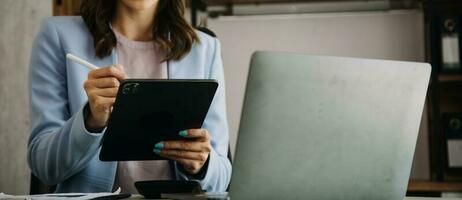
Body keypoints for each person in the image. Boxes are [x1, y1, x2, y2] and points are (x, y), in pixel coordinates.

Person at [27, 0, 231, 193]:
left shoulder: (205, 49)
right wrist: (91, 120)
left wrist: (202, 165)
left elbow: (221, 179)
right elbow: (44, 166)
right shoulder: (58, 36)